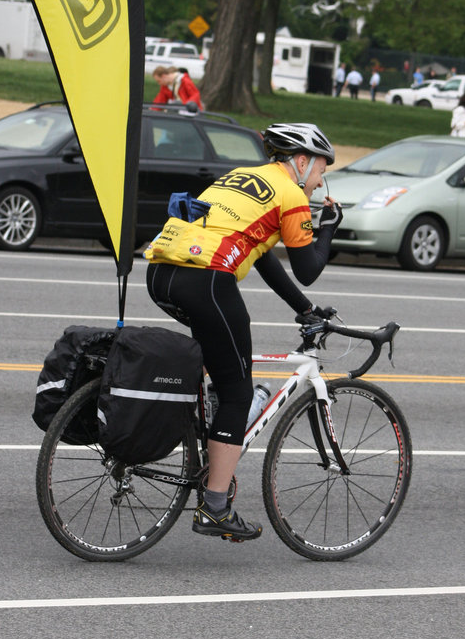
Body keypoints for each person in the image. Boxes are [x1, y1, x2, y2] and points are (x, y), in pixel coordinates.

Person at [145, 123, 343, 541]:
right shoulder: (291, 195)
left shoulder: (238, 178)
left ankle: (206, 423)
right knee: (239, 393)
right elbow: (308, 269)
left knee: (221, 360)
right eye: (321, 172)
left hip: (162, 274)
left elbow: (263, 254)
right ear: (301, 161)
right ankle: (215, 506)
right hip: (207, 282)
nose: (320, 183)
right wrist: (328, 226)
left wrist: (304, 311)